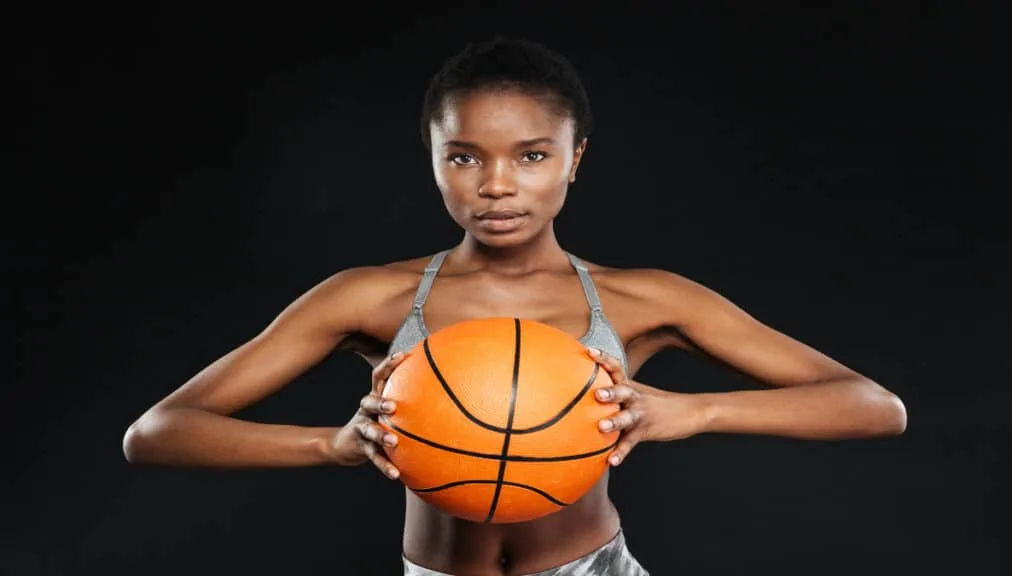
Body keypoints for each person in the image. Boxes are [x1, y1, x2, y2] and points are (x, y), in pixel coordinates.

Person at [122, 37, 908, 575]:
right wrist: (330, 445)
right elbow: (156, 434)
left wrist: (693, 413)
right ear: (433, 160)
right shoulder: (373, 296)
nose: (496, 185)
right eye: (463, 156)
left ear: (575, 159)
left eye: (532, 156)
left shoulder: (642, 299)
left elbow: (872, 407)